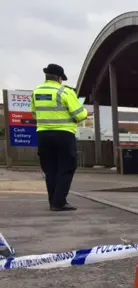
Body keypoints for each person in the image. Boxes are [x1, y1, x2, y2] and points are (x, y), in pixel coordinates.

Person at [32, 63, 88, 211]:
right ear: (59, 78)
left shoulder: (36, 92)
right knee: (67, 167)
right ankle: (59, 202)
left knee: (50, 169)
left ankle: (53, 201)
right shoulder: (64, 92)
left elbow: (34, 113)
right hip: (64, 135)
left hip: (43, 134)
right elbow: (80, 114)